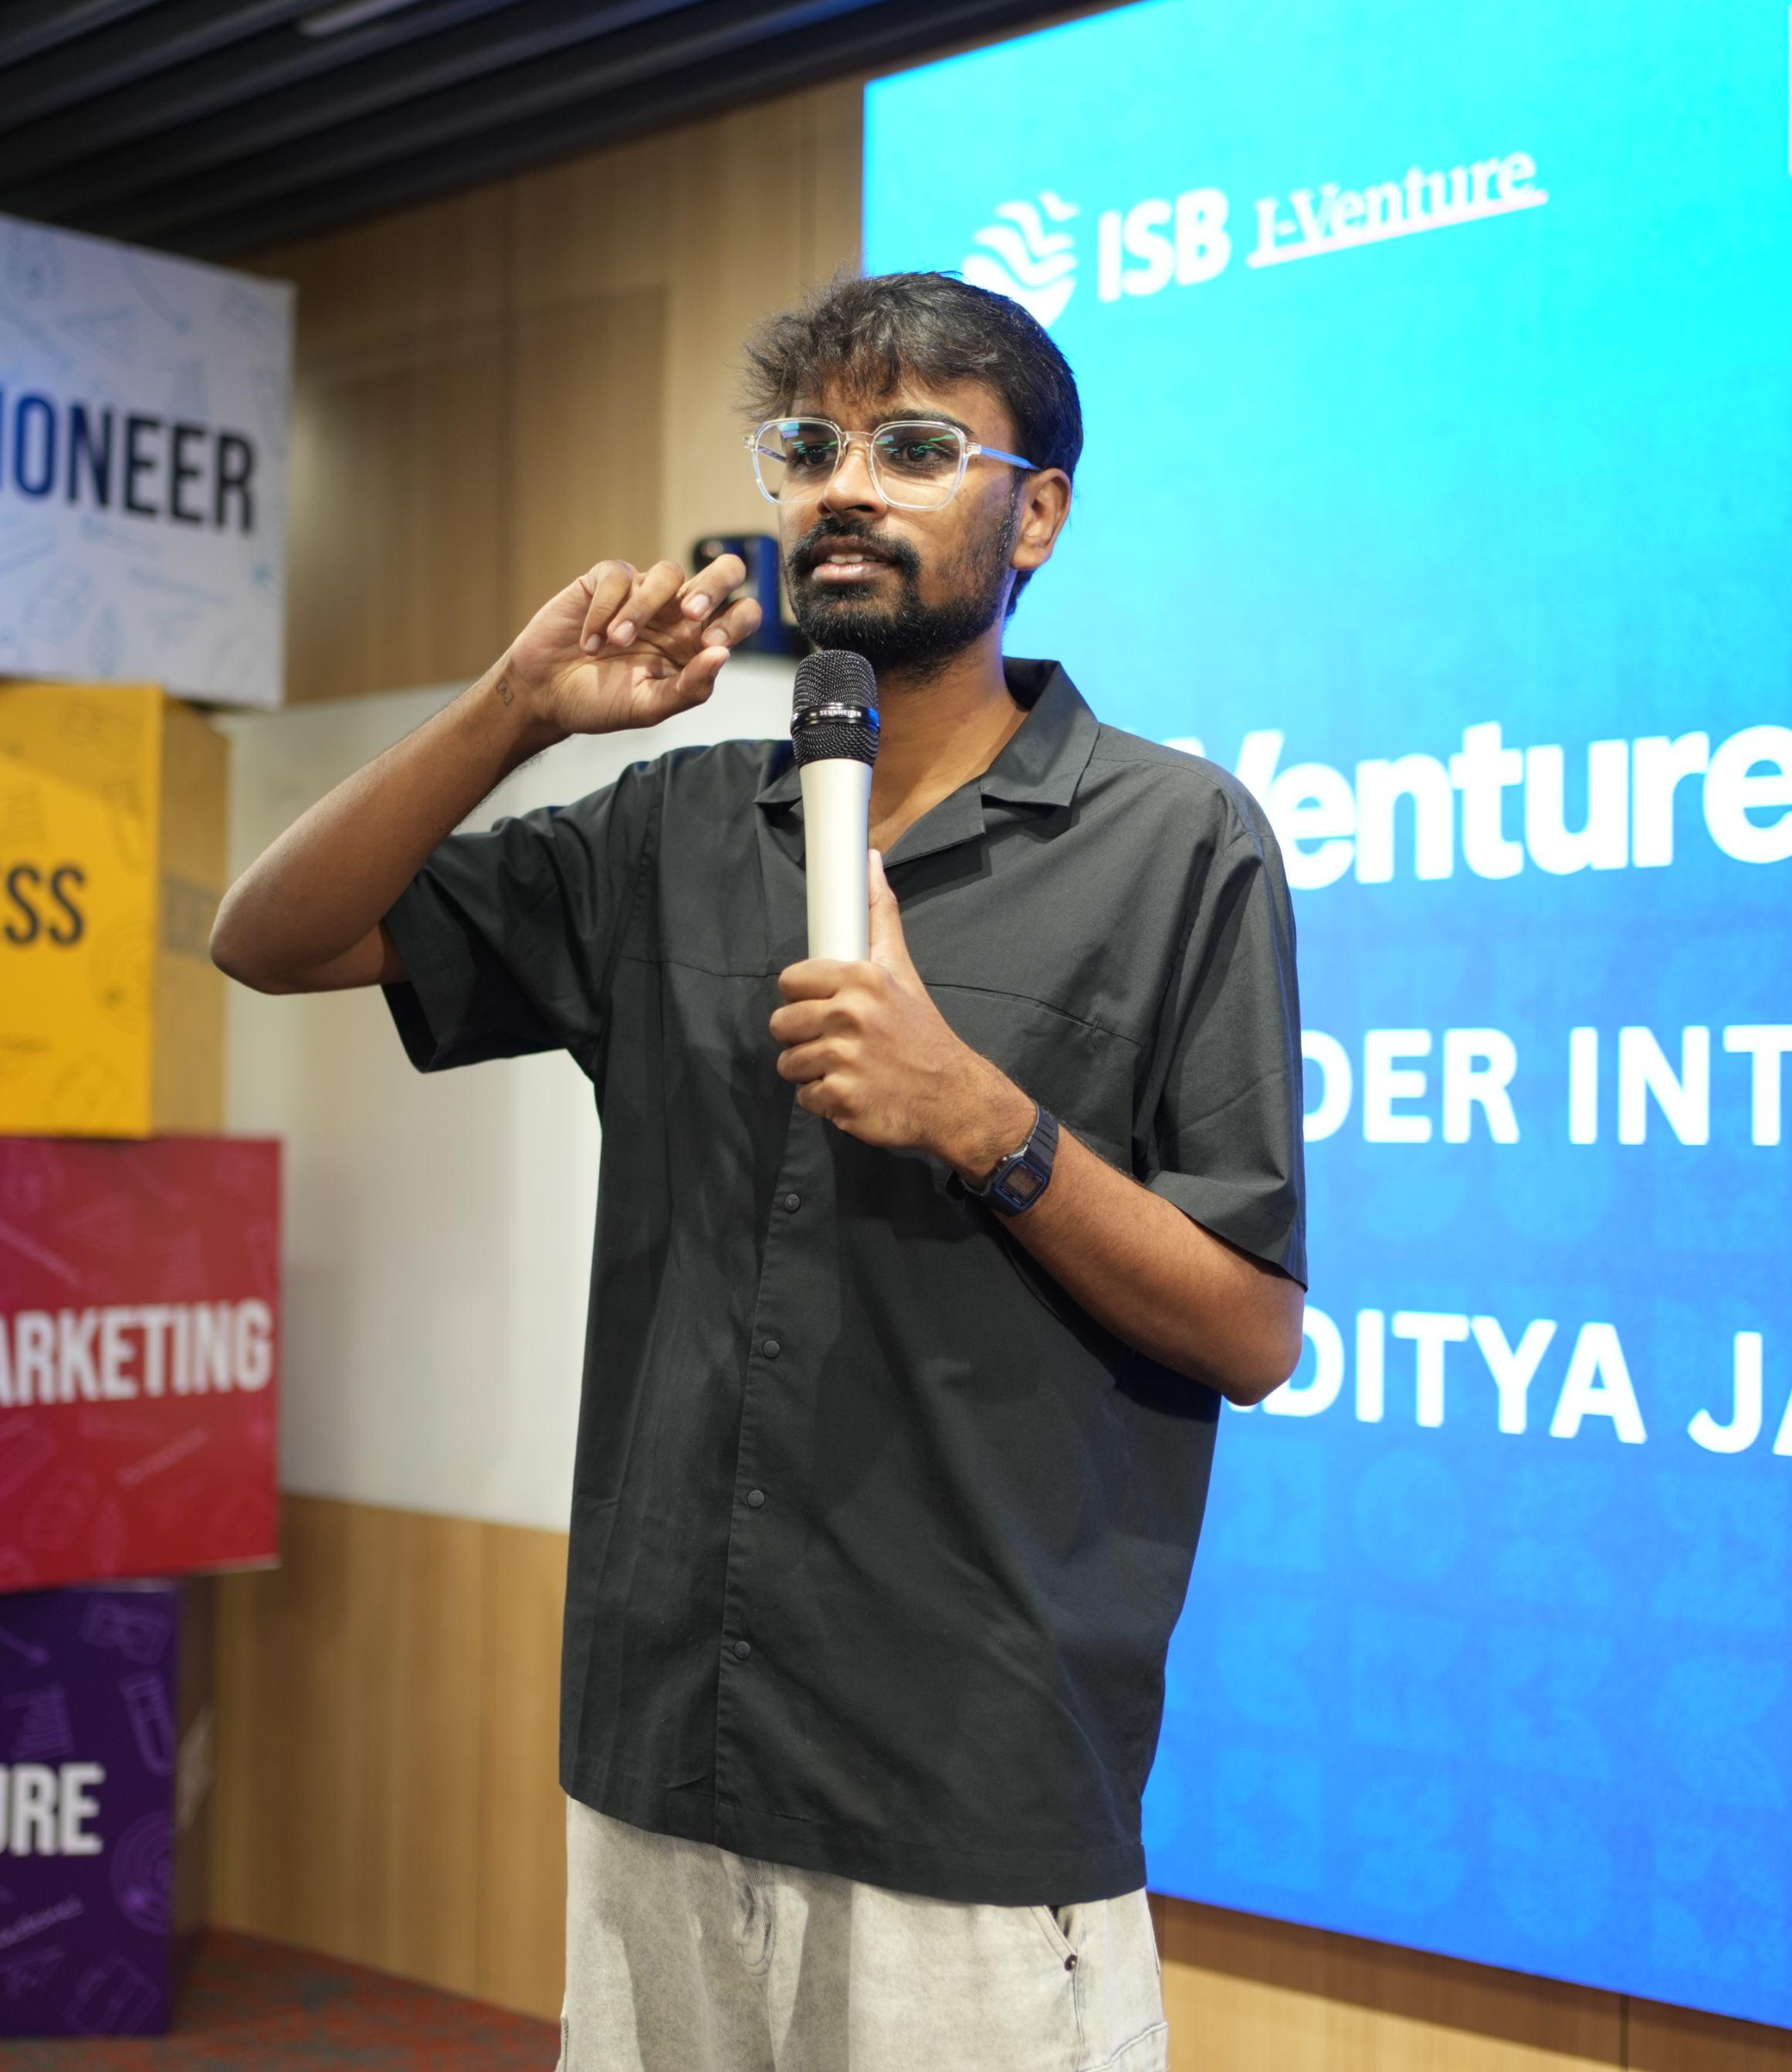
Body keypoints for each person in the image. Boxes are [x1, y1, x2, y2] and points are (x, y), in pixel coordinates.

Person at [212, 270, 1307, 2072]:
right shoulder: (675, 824)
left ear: (1036, 512)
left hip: (963, 1781)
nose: (843, 486)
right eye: (807, 448)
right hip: (667, 1745)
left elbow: (1251, 1329)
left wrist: (981, 1121)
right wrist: (515, 709)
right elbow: (269, 938)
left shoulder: (1173, 839)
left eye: (915, 447)